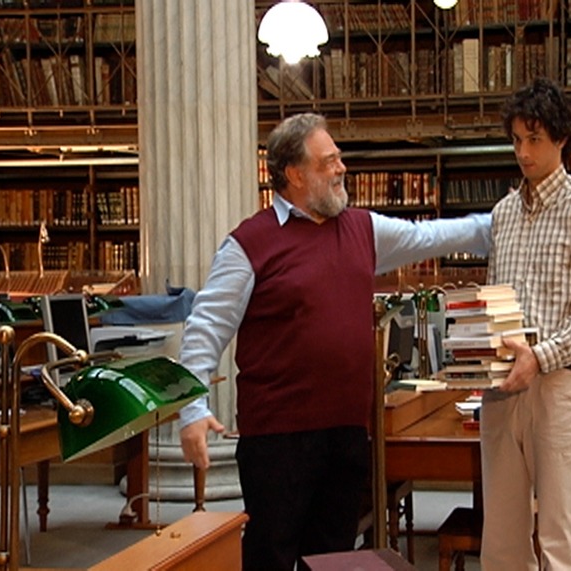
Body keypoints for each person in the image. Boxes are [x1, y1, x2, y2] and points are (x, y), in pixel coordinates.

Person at [175, 112, 491, 571]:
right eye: (328, 162)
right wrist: (192, 410)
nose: (341, 168)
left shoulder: (362, 228)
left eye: (339, 158)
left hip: (346, 433)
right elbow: (206, 327)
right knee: (271, 557)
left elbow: (429, 236)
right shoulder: (249, 244)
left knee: (333, 557)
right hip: (277, 440)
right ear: (294, 174)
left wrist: (496, 225)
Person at [481, 77, 571, 570]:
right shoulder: (502, 214)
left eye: (534, 139)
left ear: (561, 139)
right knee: (501, 544)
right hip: (502, 389)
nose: (523, 152)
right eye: (517, 139)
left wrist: (539, 357)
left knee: (559, 541)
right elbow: (494, 301)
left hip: (557, 387)